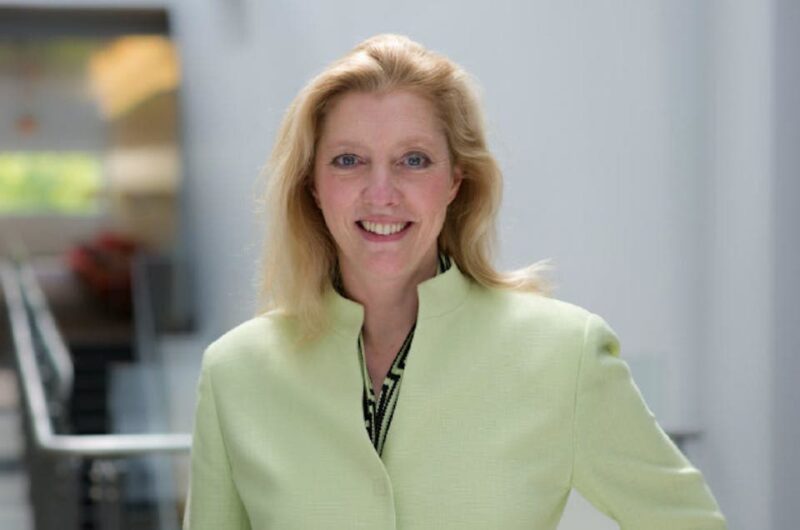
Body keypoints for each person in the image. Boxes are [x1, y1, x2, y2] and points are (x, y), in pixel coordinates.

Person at [183, 34, 727, 529]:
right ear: (313, 186)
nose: (382, 193)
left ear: (455, 182)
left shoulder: (564, 354)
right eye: (349, 160)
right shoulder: (237, 373)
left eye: (413, 160)